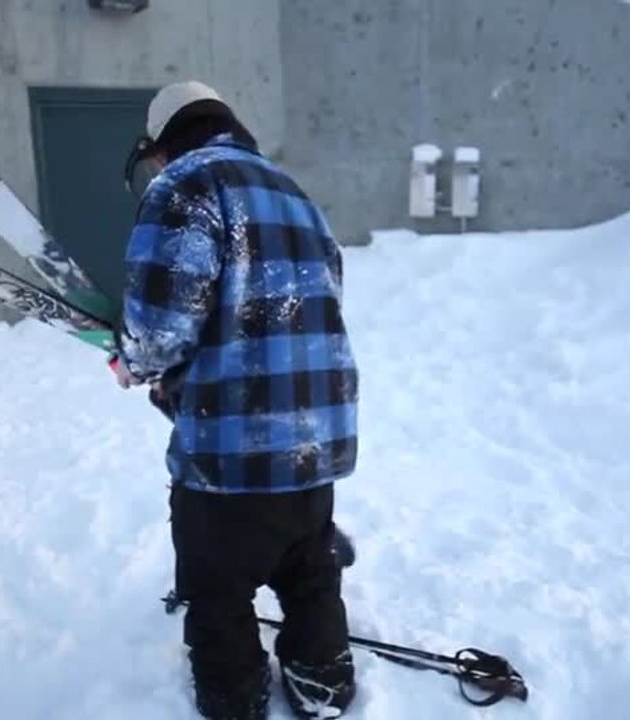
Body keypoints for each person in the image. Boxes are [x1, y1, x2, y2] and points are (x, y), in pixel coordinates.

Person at [111, 80, 360, 719]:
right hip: (315, 444)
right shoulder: (293, 193)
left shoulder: (185, 186)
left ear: (161, 145)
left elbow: (160, 328)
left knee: (219, 591)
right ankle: (323, 684)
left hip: (231, 457)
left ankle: (235, 699)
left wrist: (134, 360)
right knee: (311, 578)